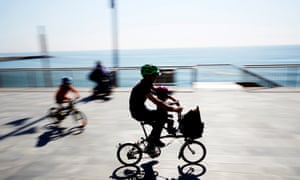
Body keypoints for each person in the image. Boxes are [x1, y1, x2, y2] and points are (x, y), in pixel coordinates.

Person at [129, 64, 183, 148]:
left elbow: (158, 91)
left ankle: (151, 143)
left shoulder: (146, 83)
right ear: (148, 76)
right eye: (155, 75)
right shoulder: (143, 86)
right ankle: (154, 139)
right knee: (162, 116)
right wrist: (174, 109)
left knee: (164, 115)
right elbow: (156, 101)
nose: (156, 77)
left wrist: (171, 99)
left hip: (141, 110)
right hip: (138, 113)